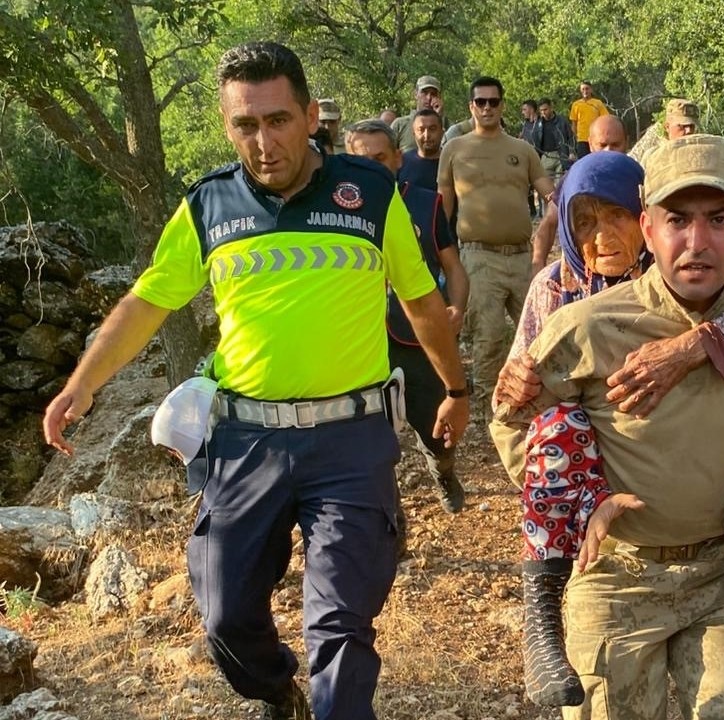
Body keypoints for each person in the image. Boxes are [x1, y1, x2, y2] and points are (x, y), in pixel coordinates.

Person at [42, 42, 469, 720]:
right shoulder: (209, 207)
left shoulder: (370, 193)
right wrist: (82, 384)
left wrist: (454, 389)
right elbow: (148, 303)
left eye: (277, 120)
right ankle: (276, 690)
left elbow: (421, 302)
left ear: (308, 116)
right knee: (226, 617)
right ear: (227, 127)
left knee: (340, 629)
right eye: (246, 125)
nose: (264, 142)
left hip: (351, 442)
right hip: (245, 444)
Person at [491, 135, 724, 718]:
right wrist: (583, 506)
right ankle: (540, 607)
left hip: (720, 574)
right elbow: (517, 429)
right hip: (614, 575)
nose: (697, 242)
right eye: (678, 220)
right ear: (650, 229)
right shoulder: (587, 326)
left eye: (719, 220)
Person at [344, 119, 470, 516]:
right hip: (364, 342)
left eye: (380, 157)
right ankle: (390, 517)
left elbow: (453, 264)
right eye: (361, 159)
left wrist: (457, 306)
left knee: (436, 429)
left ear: (398, 159)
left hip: (419, 337)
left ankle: (443, 472)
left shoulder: (425, 203)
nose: (372, 167)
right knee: (372, 442)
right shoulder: (333, 211)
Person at [438, 76, 556, 408]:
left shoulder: (522, 149)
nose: (487, 107)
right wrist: (439, 251)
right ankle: (494, 412)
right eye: (480, 102)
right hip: (478, 257)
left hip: (521, 257)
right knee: (487, 339)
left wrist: (558, 199)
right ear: (471, 106)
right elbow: (442, 207)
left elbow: (546, 187)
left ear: (502, 105)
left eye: (493, 101)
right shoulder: (455, 149)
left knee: (537, 334)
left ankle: (539, 407)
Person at [530, 114, 627, 273]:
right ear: (590, 144)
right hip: (584, 273)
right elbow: (549, 222)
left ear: (626, 142)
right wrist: (538, 262)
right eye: (602, 145)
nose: (608, 151)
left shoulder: (637, 178)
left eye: (615, 145)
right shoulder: (575, 179)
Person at [628, 97, 700, 165]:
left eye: (691, 126)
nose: (689, 130)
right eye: (682, 126)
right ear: (667, 127)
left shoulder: (700, 151)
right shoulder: (653, 153)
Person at [397, 108, 446, 194]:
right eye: (421, 130)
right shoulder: (401, 162)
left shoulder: (451, 163)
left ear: (442, 132)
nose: (426, 135)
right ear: (414, 134)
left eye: (432, 129)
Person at [391, 75, 442, 152]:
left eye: (433, 94)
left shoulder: (448, 125)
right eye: (424, 93)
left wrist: (438, 118)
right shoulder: (400, 125)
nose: (429, 98)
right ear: (415, 94)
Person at [568, 81, 608, 160]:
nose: (585, 91)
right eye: (583, 89)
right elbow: (574, 123)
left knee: (597, 160)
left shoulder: (598, 103)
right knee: (584, 161)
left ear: (591, 90)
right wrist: (576, 136)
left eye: (587, 89)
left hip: (596, 138)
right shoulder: (576, 105)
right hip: (582, 139)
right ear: (580, 91)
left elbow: (605, 119)